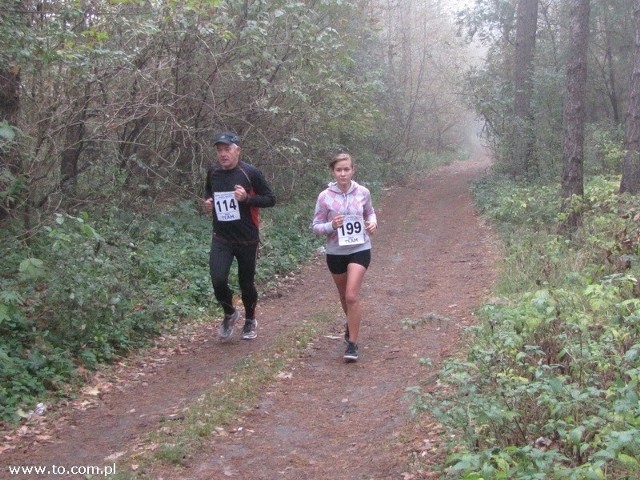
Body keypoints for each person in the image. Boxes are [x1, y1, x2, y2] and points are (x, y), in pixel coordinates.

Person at [204, 132, 276, 340]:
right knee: (217, 280)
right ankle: (229, 313)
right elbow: (209, 192)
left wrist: (246, 198)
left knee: (246, 283)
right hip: (222, 237)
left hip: (247, 238)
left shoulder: (250, 173)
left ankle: (250, 320)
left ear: (237, 150)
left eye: (227, 149)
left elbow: (270, 199)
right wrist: (208, 202)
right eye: (219, 150)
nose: (223, 154)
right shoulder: (213, 172)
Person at [312, 152, 377, 361]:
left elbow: (370, 213)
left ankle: (352, 344)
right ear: (333, 172)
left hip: (360, 248)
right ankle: (350, 324)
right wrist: (332, 225)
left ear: (353, 170)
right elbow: (316, 226)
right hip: (335, 251)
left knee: (351, 295)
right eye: (339, 170)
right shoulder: (325, 197)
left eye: (346, 169)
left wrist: (373, 223)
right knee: (343, 296)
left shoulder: (363, 192)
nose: (343, 174)